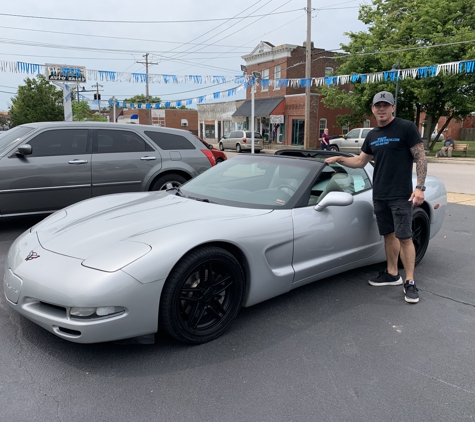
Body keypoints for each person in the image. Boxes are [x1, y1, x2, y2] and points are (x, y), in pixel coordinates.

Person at [325, 91, 427, 304]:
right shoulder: (372, 135)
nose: (381, 109)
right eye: (377, 106)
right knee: (388, 235)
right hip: (380, 194)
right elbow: (361, 162)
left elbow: (420, 157)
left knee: (405, 237)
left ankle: (409, 282)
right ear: (373, 109)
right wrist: (339, 159)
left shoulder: (406, 127)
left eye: (385, 105)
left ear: (392, 108)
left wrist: (419, 187)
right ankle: (392, 274)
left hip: (401, 195)